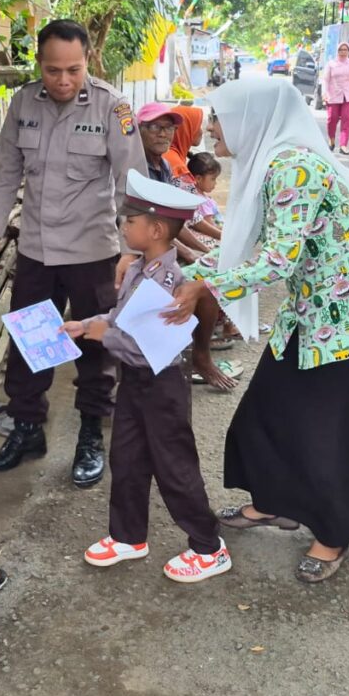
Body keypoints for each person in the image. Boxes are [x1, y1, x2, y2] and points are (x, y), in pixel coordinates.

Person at [165, 78, 349, 583]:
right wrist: (193, 274)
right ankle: (274, 501)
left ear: (248, 119)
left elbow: (278, 261)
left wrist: (203, 286)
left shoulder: (293, 167)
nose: (209, 130)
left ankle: (333, 533)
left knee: (337, 434)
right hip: (317, 315)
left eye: (216, 119)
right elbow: (252, 247)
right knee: (270, 409)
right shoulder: (273, 162)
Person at [0, 19, 149, 486]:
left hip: (93, 250)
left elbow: (130, 184)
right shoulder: (24, 102)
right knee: (32, 343)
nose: (63, 81)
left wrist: (131, 250)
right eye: (53, 71)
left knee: (93, 344)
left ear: (88, 59)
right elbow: (5, 170)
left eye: (73, 69)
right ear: (39, 63)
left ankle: (91, 430)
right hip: (36, 246)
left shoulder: (115, 108)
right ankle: (28, 426)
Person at [62, 171, 233, 583]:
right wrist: (87, 325)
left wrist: (107, 337)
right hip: (136, 383)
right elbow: (123, 320)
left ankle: (209, 547)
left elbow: (149, 345)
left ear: (155, 230)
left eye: (130, 221)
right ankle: (127, 536)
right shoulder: (140, 269)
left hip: (163, 385)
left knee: (174, 466)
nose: (123, 227)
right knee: (127, 459)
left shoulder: (173, 283)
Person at [133, 103, 212, 266]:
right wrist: (190, 255)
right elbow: (148, 226)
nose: (163, 134)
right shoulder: (135, 168)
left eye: (169, 127)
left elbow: (172, 218)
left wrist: (204, 252)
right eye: (155, 127)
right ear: (139, 130)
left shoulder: (164, 165)